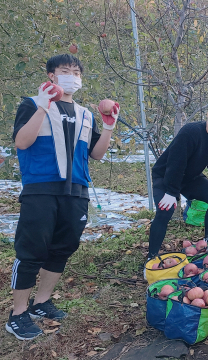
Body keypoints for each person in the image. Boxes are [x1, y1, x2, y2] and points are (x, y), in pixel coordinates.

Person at [8, 54, 114, 340]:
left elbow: (96, 154)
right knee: (31, 251)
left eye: (76, 72)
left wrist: (107, 127)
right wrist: (43, 107)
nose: (71, 76)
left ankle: (41, 302)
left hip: (76, 191)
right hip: (41, 189)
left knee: (63, 248)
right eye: (64, 71)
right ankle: (17, 314)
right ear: (51, 76)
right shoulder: (32, 104)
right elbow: (21, 142)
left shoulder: (85, 113)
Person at [148, 100, 208, 258]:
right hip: (166, 175)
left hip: (190, 177)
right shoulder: (191, 131)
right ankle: (151, 255)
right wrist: (171, 191)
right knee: (165, 211)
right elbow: (175, 162)